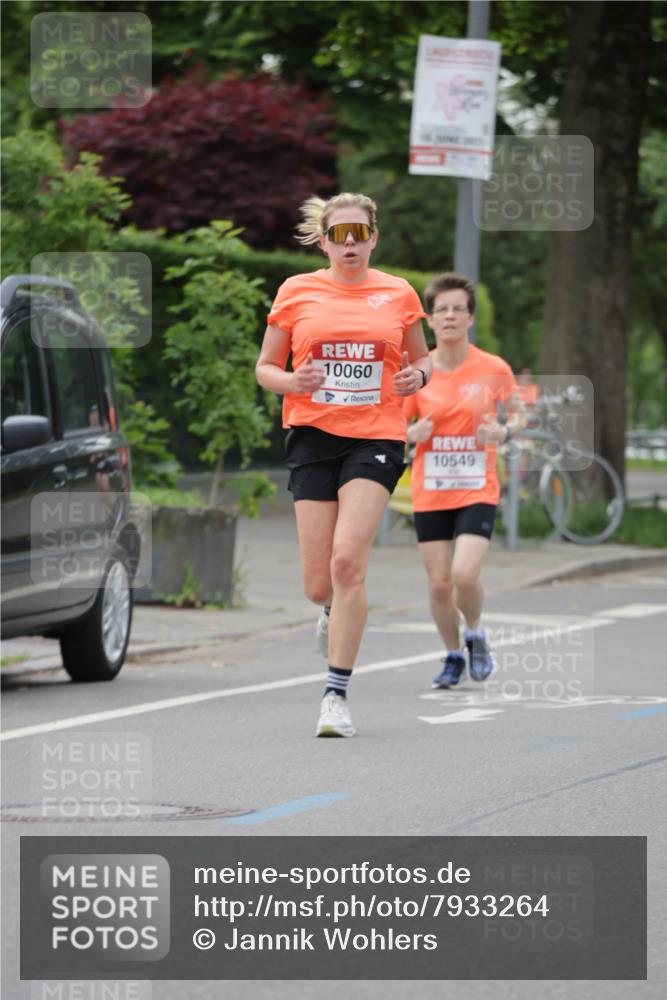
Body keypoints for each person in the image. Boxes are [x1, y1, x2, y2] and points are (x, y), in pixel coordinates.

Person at [255, 193, 432, 737]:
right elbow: (265, 367)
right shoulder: (296, 291)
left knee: (348, 562)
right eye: (339, 235)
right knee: (319, 584)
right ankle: (331, 611)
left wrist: (419, 377)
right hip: (312, 435)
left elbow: (423, 358)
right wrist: (292, 380)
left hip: (376, 436)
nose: (349, 244)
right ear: (324, 241)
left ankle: (335, 696)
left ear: (373, 238)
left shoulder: (398, 293)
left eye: (359, 234)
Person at [403, 273, 526, 689]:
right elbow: (393, 427)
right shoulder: (418, 372)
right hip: (432, 489)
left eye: (458, 309)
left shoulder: (493, 368)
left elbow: (520, 414)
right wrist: (412, 433)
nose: (450, 316)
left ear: (470, 318)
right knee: (439, 585)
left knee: (464, 574)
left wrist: (503, 432)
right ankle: (453, 654)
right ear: (431, 320)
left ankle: (475, 632)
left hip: (477, 486)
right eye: (442, 310)